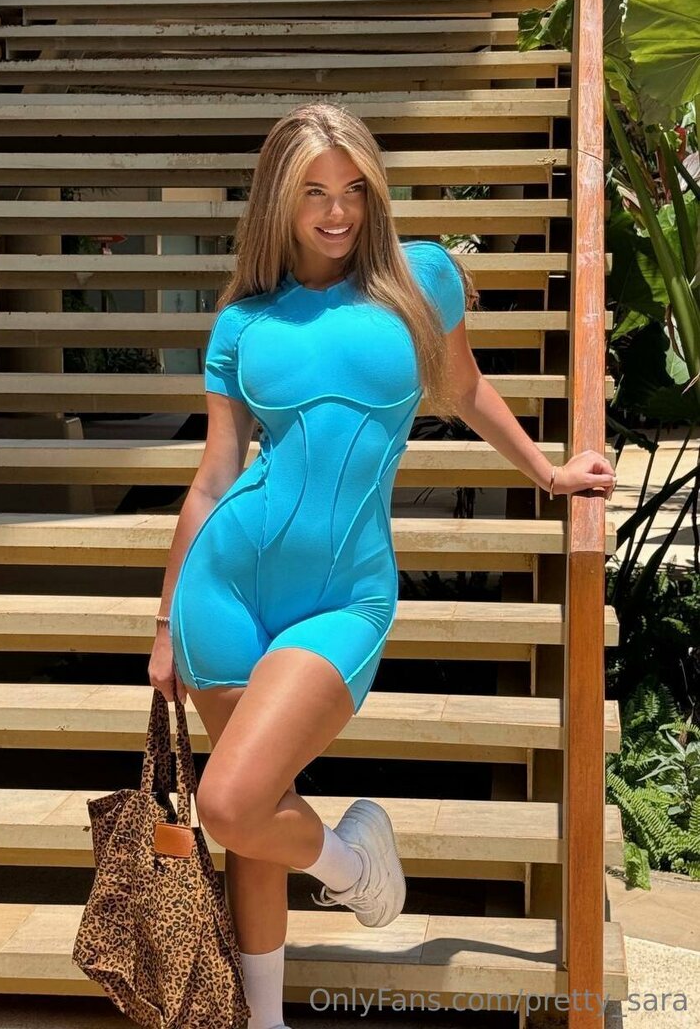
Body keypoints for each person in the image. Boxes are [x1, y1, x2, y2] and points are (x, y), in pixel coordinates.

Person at [147, 101, 617, 1029]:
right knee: (256, 814)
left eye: (353, 190)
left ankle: (356, 864)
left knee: (232, 803)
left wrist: (549, 472)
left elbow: (466, 388)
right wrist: (164, 624)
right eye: (314, 193)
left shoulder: (419, 280)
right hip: (224, 592)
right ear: (278, 202)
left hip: (344, 595)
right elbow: (213, 478)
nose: (337, 212)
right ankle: (266, 1018)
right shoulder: (243, 321)